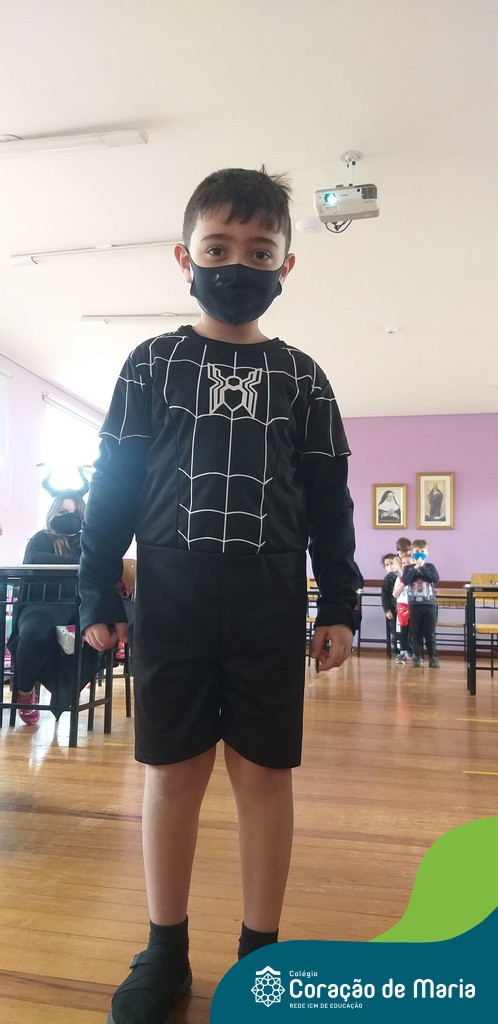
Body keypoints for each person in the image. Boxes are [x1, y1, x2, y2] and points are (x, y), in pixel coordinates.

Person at [78, 166, 358, 1024]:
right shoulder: (151, 364)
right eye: (219, 248)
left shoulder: (304, 378)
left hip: (271, 597)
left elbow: (330, 503)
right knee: (172, 772)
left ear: (286, 266)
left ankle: (259, 954)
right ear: (185, 257)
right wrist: (97, 591)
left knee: (265, 774)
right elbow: (112, 489)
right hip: (171, 593)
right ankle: (164, 948)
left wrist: (340, 603)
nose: (238, 265)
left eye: (260, 252)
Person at [8, 482, 97, 724]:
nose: (69, 517)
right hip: (40, 604)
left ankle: (65, 687)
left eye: (75, 513)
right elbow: (32, 558)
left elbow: (94, 563)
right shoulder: (42, 537)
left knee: (87, 636)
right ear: (53, 513)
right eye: (63, 512)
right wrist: (74, 562)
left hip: (75, 606)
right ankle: (25, 691)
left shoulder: (88, 540)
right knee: (34, 633)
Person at [401, 539, 440, 668]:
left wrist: (422, 567)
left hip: (429, 604)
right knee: (415, 632)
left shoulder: (430, 566)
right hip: (414, 605)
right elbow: (405, 580)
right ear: (412, 552)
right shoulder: (408, 568)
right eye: (417, 551)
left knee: (429, 632)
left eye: (422, 551)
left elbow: (435, 579)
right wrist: (415, 568)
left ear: (427, 553)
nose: (419, 553)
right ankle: (417, 656)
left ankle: (432, 657)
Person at [392, 552, 414, 664]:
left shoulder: (417, 579)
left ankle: (413, 652)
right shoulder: (399, 579)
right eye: (404, 563)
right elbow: (395, 594)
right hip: (402, 607)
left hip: (414, 607)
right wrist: (403, 583)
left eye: (408, 562)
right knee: (402, 631)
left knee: (414, 631)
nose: (406, 565)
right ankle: (403, 652)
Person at [380, 553, 398, 654]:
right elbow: (385, 595)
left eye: (391, 563)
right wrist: (387, 610)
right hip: (393, 609)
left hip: (406, 608)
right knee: (395, 631)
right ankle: (398, 650)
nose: (389, 566)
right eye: (387, 565)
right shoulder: (388, 579)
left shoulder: (404, 575)